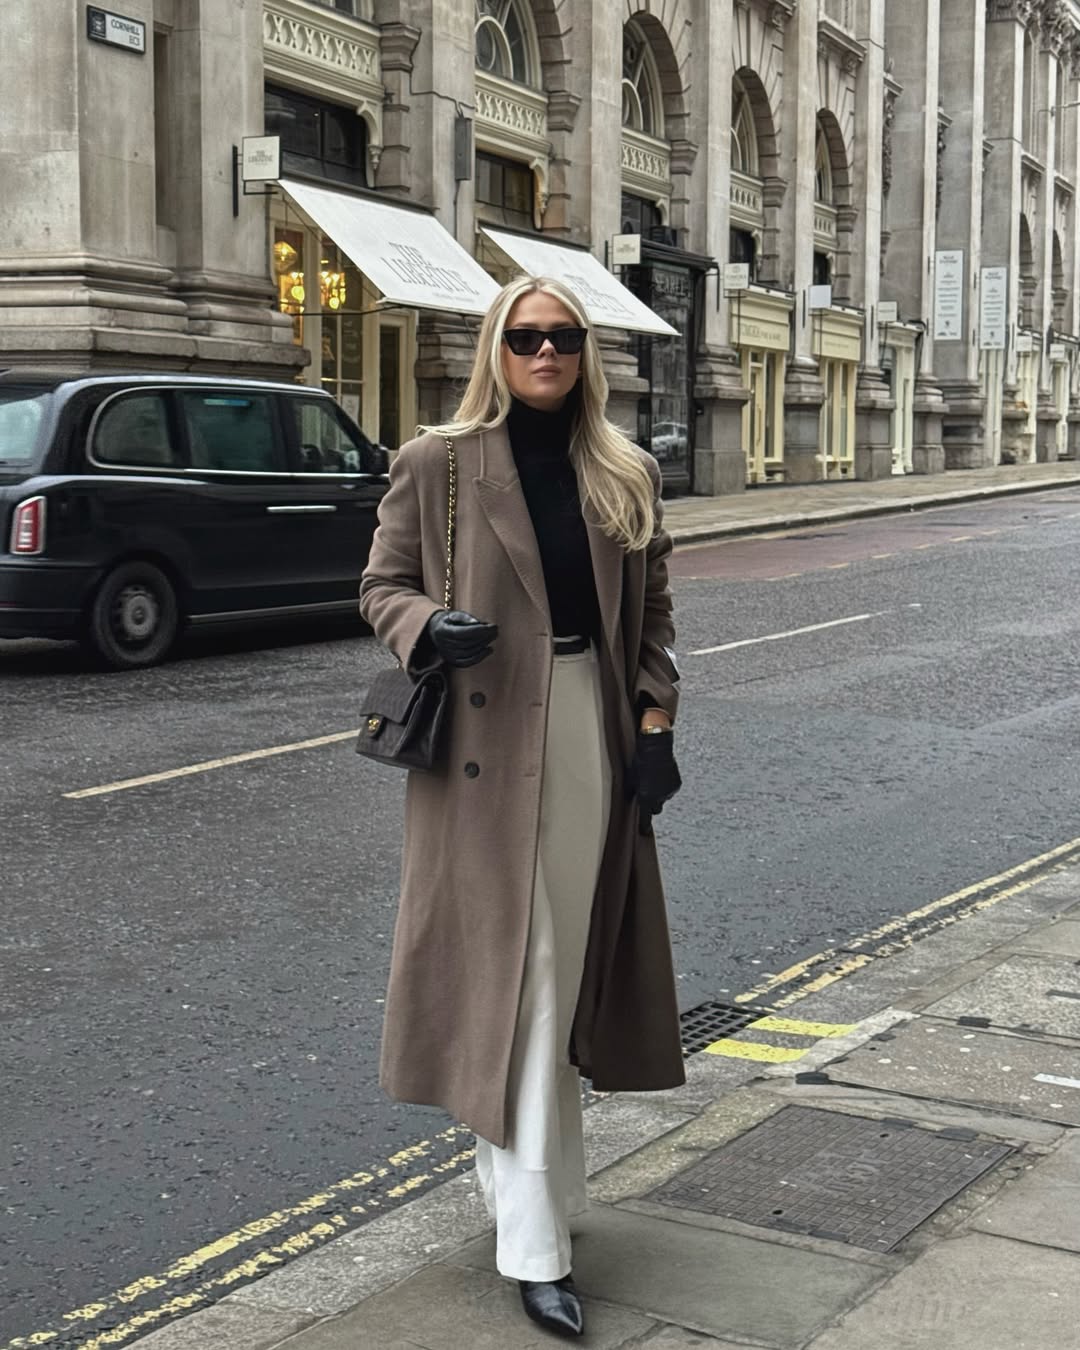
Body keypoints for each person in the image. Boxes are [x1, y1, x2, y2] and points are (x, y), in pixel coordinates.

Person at [359, 275, 684, 1339]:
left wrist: (653, 732)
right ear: (496, 350)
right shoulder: (437, 462)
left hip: (589, 727)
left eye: (566, 338)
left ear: (586, 353)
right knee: (528, 973)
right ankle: (535, 1243)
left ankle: (528, 1193)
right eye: (527, 337)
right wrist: (424, 627)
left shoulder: (622, 471)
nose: (547, 354)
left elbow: (654, 623)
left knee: (563, 963)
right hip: (485, 750)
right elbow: (380, 584)